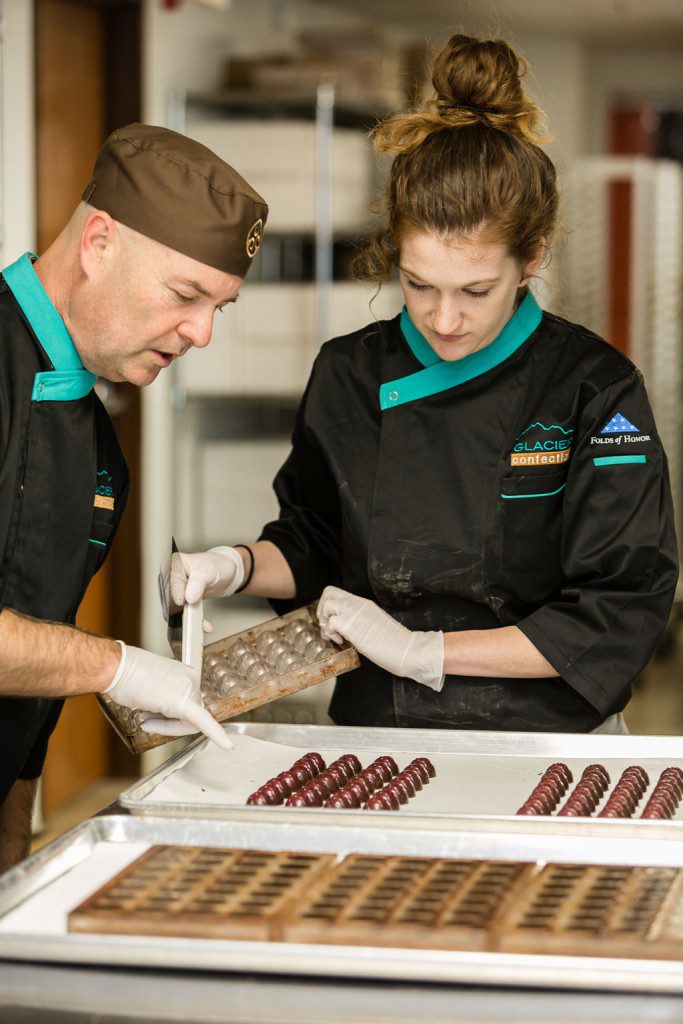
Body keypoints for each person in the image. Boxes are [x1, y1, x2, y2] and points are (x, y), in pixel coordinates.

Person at [165, 36, 677, 738]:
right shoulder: (348, 373)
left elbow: (615, 613)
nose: (443, 318)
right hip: (381, 733)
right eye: (416, 284)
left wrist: (421, 651)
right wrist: (234, 565)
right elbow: (316, 543)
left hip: (547, 740)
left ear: (531, 259)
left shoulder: (593, 389)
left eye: (474, 290)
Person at [0, 123, 268, 870]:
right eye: (186, 295)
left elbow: (28, 707)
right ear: (99, 243)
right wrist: (115, 666)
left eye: (222, 306)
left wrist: (11, 871)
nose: (202, 333)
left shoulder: (99, 454)